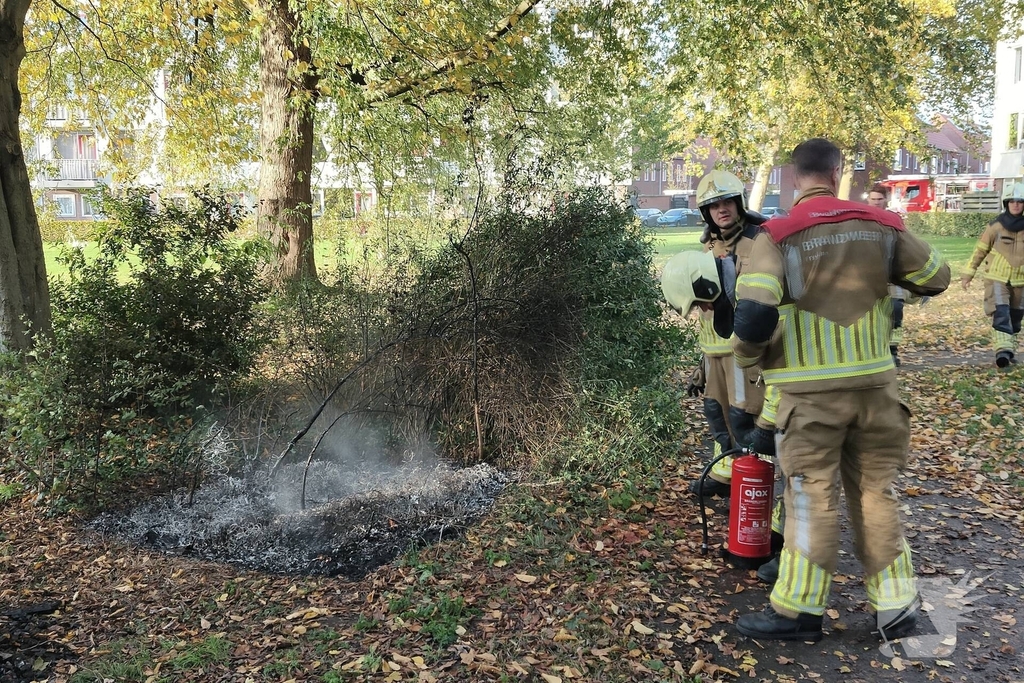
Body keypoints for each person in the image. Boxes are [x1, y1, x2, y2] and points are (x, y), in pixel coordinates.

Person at [730, 138, 951, 642]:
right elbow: (937, 276)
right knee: (878, 495)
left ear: (793, 178)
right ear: (837, 172)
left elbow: (755, 315)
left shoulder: (777, 235)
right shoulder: (883, 225)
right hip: (878, 392)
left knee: (811, 499)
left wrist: (748, 360)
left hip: (812, 401)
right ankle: (897, 610)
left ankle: (798, 612)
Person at [683, 171, 769, 498]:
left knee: (743, 413)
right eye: (713, 205)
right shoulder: (709, 244)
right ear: (706, 213)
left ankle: (751, 478)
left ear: (739, 203)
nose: (722, 210)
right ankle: (725, 469)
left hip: (743, 349)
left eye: (727, 202)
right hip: (713, 350)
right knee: (715, 411)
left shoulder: (759, 240)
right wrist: (700, 364)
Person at [960, 182, 1024, 368]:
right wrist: (968, 274)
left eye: (1020, 201)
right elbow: (980, 251)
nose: (1016, 204)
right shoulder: (995, 226)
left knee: (1015, 317)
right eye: (1012, 201)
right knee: (1001, 312)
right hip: (997, 277)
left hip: (1021, 281)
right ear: (1006, 203)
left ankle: (1008, 348)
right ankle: (1002, 352)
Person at [867, 184, 908, 366]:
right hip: (867, 276)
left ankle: (892, 351)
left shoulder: (894, 220)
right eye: (873, 199)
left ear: (886, 200)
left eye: (879, 199)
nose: (876, 203)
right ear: (868, 199)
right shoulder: (860, 220)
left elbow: (905, 244)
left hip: (892, 275)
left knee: (895, 310)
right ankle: (874, 352)